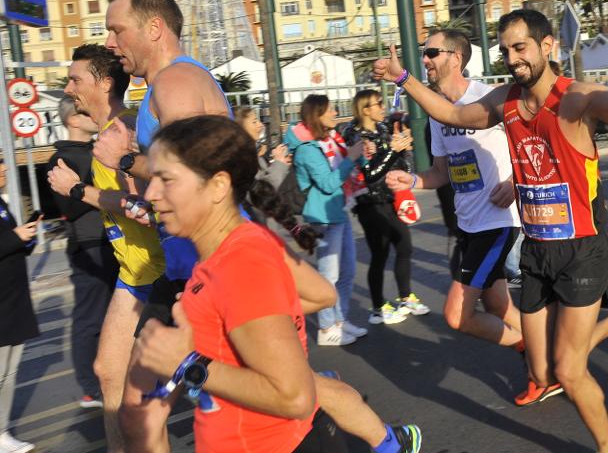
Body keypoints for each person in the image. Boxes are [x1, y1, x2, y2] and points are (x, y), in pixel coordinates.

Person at [372, 7, 608, 453]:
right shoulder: (506, 102)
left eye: (521, 47)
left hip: (580, 249)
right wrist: (404, 78)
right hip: (537, 252)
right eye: (505, 50)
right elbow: (452, 114)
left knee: (570, 370)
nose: (513, 58)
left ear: (547, 46)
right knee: (543, 373)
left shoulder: (576, 98)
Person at [135, 115, 423, 453]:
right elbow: (320, 294)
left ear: (217, 186)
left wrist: (187, 364)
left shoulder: (239, 262)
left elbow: (294, 397)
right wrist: (243, 322)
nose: (151, 193)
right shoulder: (232, 248)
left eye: (165, 178)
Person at [92, 0, 233, 452]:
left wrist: (124, 161)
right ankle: (374, 435)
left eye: (117, 31)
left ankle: (371, 433)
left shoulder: (174, 81)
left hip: (209, 267)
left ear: (154, 28)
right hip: (191, 265)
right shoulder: (164, 86)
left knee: (143, 408)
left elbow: (194, 165)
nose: (111, 44)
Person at [384, 30, 527, 391]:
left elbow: (532, 146)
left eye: (432, 52)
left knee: (456, 316)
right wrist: (410, 181)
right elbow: (441, 173)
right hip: (469, 224)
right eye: (423, 53)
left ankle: (543, 353)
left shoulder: (488, 99)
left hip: (497, 221)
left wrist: (516, 183)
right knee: (498, 305)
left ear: (456, 58)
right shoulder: (436, 112)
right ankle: (548, 349)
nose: (426, 59)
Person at [46, 43, 165, 451]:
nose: (69, 88)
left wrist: (79, 190)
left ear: (105, 83)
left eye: (76, 79)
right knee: (108, 371)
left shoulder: (126, 133)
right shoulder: (104, 136)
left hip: (161, 274)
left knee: (158, 397)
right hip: (131, 275)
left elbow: (148, 207)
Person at [46, 96, 118, 410]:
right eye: (83, 111)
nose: (91, 114)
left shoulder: (96, 150)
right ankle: (90, 388)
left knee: (116, 317)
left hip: (116, 243)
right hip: (90, 246)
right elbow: (68, 207)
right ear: (72, 120)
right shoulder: (62, 158)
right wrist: (88, 186)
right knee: (90, 319)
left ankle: (114, 375)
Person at [283, 95, 367, 346]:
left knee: (347, 272)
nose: (334, 113)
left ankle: (340, 321)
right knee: (328, 276)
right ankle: (326, 326)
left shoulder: (329, 140)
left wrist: (359, 155)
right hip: (321, 218)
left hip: (337, 214)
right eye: (329, 110)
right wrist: (351, 158)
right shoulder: (308, 150)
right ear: (316, 115)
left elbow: (347, 171)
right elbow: (328, 184)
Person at [343, 90, 428, 325]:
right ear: (365, 109)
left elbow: (401, 163)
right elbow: (370, 174)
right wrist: (392, 150)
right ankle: (378, 306)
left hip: (391, 196)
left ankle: (405, 297)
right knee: (379, 252)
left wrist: (405, 149)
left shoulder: (383, 128)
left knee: (404, 245)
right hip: (368, 201)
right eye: (377, 104)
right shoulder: (353, 134)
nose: (383, 107)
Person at [0, 160, 41, 453]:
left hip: (13, 298)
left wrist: (26, 237)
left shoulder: (1, 205)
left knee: (9, 373)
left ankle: (2, 430)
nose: (4, 170)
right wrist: (15, 237)